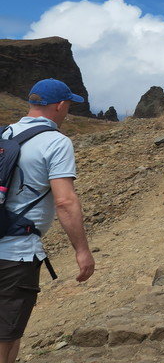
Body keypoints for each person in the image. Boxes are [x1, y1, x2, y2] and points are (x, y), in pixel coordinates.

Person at [0, 79, 94, 362]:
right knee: (7, 334)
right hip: (16, 254)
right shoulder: (56, 142)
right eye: (68, 106)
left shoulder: (4, 134)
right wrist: (82, 250)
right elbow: (65, 201)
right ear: (60, 105)